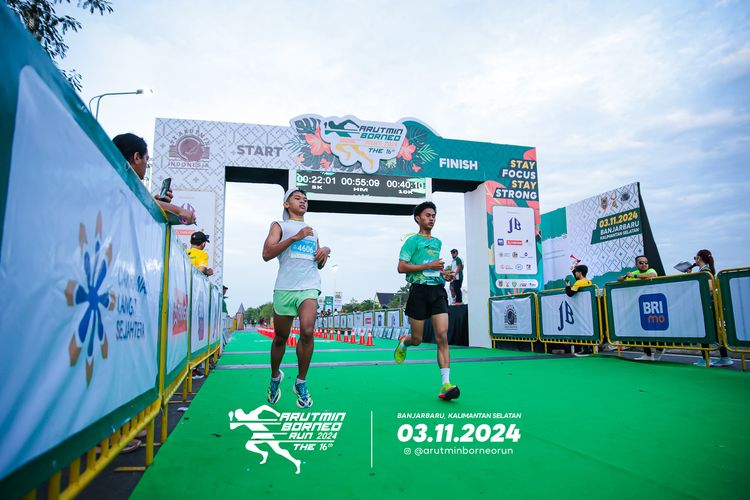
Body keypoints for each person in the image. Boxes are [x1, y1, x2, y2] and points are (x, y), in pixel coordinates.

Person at [262, 189, 331, 408]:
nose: (303, 202)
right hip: (285, 288)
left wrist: (324, 252)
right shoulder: (279, 226)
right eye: (297, 198)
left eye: (305, 200)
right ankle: (275, 377)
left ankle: (301, 381)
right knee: (280, 338)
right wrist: (295, 237)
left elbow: (319, 263)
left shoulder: (313, 231)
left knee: (307, 331)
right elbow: (266, 254)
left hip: (309, 286)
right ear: (286, 204)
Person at [393, 202, 459, 401]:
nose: (432, 218)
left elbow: (434, 269)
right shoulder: (411, 242)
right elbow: (401, 267)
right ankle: (405, 342)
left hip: (437, 291)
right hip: (418, 292)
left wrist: (444, 274)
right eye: (428, 215)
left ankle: (446, 384)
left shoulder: (437, 242)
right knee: (417, 339)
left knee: (442, 336)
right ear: (418, 218)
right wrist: (428, 265)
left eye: (434, 216)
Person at [112, 133, 196, 224]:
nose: (146, 164)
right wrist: (180, 211)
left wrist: (157, 205)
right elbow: (139, 203)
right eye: (146, 159)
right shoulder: (119, 186)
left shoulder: (112, 180)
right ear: (137, 158)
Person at [689, 249, 733, 367]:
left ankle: (707, 359)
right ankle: (723, 357)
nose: (695, 260)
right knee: (715, 331)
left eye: (695, 258)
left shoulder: (705, 271)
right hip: (710, 304)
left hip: (707, 305)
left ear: (699, 258)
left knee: (706, 331)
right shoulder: (706, 270)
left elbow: (710, 287)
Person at [619, 255, 664, 361]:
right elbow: (619, 279)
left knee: (655, 329)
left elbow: (652, 275)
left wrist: (634, 276)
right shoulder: (633, 272)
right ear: (636, 264)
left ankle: (660, 349)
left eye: (646, 262)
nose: (644, 264)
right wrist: (623, 277)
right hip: (638, 306)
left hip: (651, 305)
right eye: (641, 262)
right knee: (641, 330)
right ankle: (647, 354)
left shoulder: (650, 270)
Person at [565, 265, 594, 356]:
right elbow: (578, 280)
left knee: (583, 328)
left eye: (577, 272)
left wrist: (567, 286)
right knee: (589, 328)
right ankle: (589, 348)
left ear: (580, 273)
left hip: (582, 308)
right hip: (589, 308)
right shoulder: (588, 281)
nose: (575, 274)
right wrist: (574, 269)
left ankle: (585, 349)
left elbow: (570, 293)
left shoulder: (578, 283)